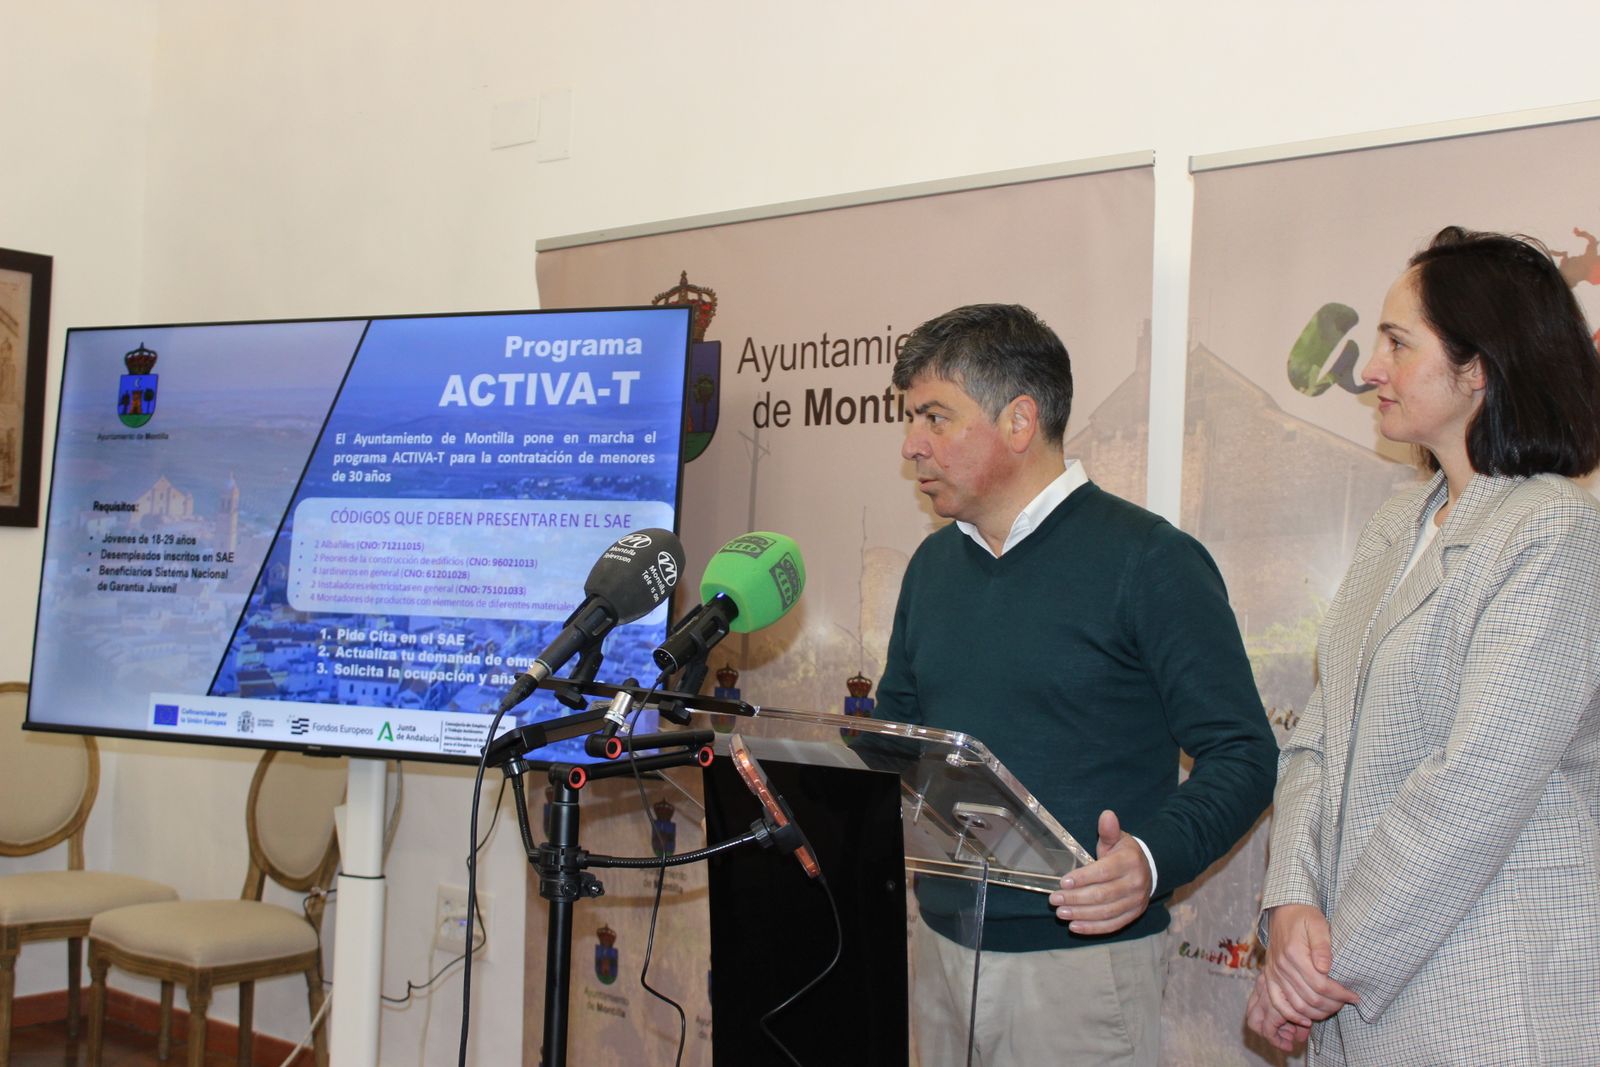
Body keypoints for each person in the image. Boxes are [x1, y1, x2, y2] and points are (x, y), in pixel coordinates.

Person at [874, 302, 1277, 1065]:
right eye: (910, 419)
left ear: (1019, 420)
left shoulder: (1149, 559)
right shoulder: (931, 568)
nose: (911, 444)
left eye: (934, 417)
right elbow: (897, 743)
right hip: (940, 952)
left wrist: (1150, 859)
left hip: (1080, 969)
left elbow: (1244, 752)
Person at [1247, 227, 1600, 1064]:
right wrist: (1290, 901)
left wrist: (1319, 970)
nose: (1370, 368)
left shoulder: (1555, 530)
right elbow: (1316, 738)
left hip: (1489, 1007)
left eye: (1398, 343)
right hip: (1357, 1000)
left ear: (1478, 369)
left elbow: (1473, 786)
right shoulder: (1396, 522)